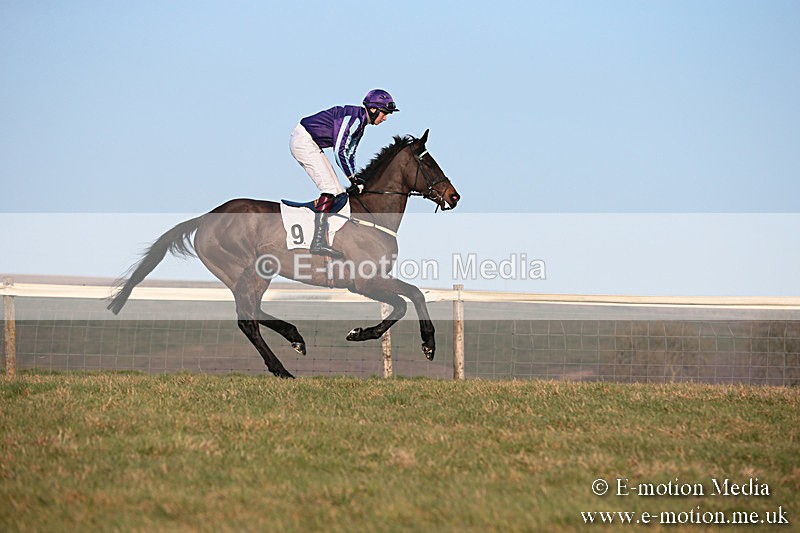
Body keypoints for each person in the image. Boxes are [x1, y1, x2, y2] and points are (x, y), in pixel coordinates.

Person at [289, 89, 399, 259]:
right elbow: (339, 151)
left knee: (338, 192)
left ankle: (324, 236)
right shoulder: (354, 120)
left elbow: (350, 154)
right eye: (384, 113)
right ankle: (317, 242)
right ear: (373, 109)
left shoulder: (360, 125)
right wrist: (352, 178)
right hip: (303, 141)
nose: (385, 118)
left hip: (311, 143)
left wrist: (355, 176)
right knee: (330, 189)